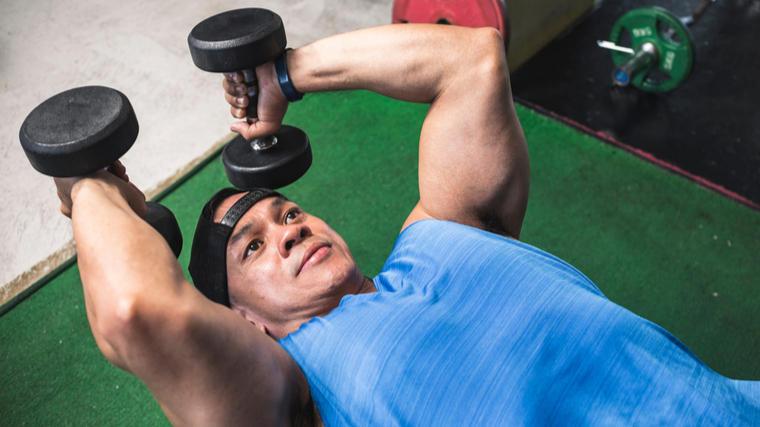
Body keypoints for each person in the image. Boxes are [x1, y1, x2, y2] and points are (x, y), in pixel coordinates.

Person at [53, 23, 760, 427]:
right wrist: (89, 183)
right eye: (254, 245)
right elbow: (133, 309)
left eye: (287, 211)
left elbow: (471, 62)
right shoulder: (290, 391)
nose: (289, 229)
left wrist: (284, 76)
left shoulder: (442, 235)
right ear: (244, 318)